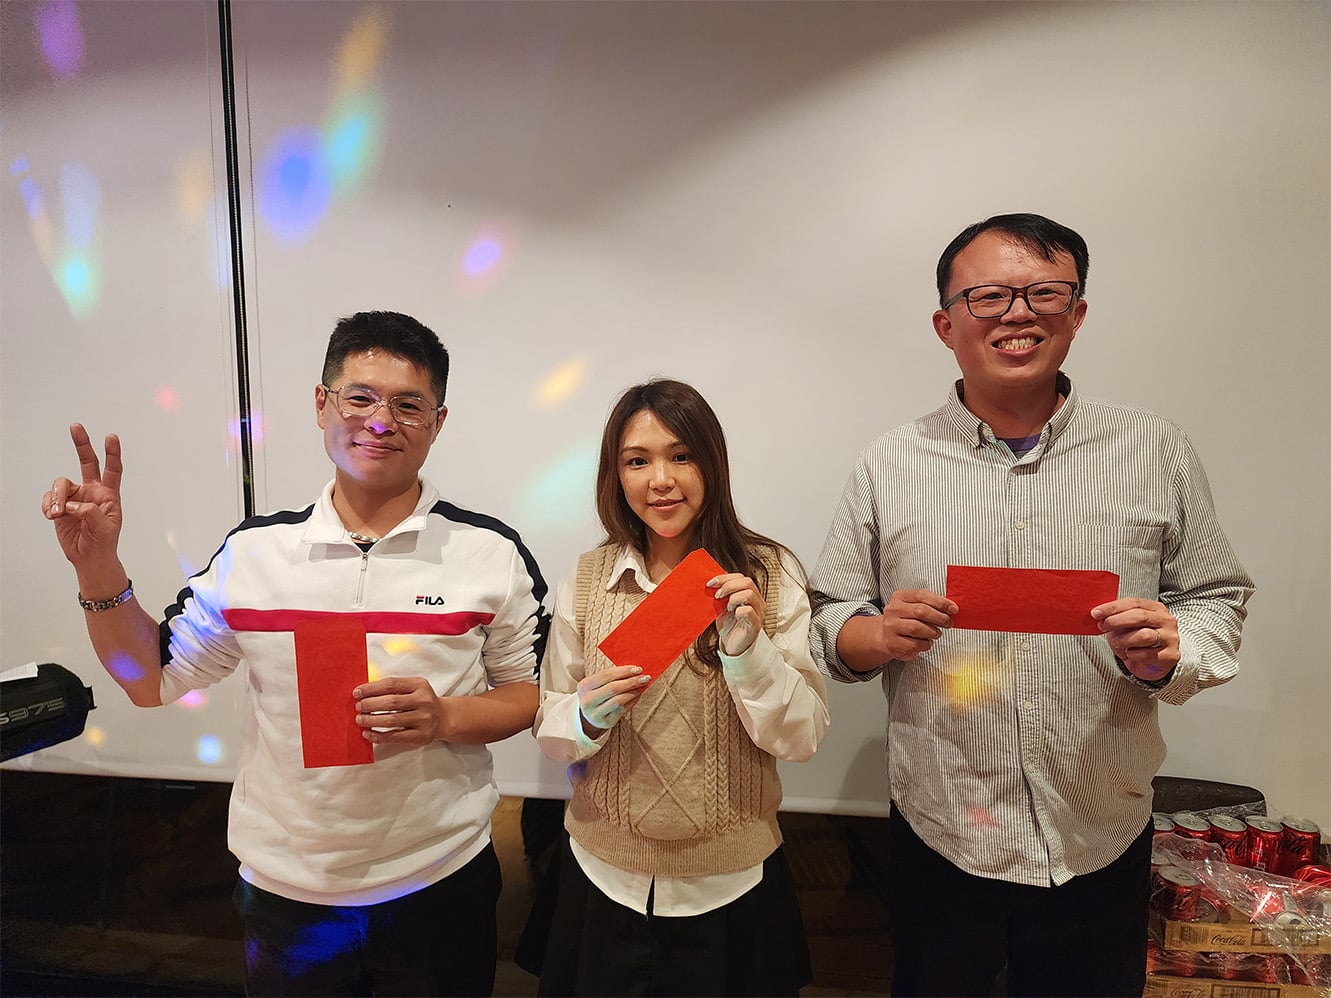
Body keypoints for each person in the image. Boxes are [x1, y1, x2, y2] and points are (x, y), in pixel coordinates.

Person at [808, 214, 1254, 997]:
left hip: (1097, 824)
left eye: (1043, 293)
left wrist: (1171, 648)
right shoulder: (889, 463)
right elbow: (827, 615)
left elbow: (1214, 596)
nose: (1016, 314)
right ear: (946, 324)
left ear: (1075, 314)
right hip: (942, 824)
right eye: (987, 297)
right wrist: (874, 634)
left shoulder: (1153, 450)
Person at [42, 310, 550, 997]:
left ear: (437, 422)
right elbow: (148, 680)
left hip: (440, 880)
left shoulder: (489, 552)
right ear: (321, 404)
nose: (381, 422)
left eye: (408, 406)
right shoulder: (255, 554)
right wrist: (97, 564)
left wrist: (446, 717)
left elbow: (529, 694)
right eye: (360, 397)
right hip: (289, 893)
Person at [528, 378, 829, 997]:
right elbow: (551, 729)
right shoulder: (587, 578)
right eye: (637, 461)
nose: (660, 480)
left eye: (681, 455)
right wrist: (583, 716)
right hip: (602, 878)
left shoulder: (770, 575)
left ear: (712, 462)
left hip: (733, 884)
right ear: (616, 475)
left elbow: (801, 739)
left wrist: (748, 651)